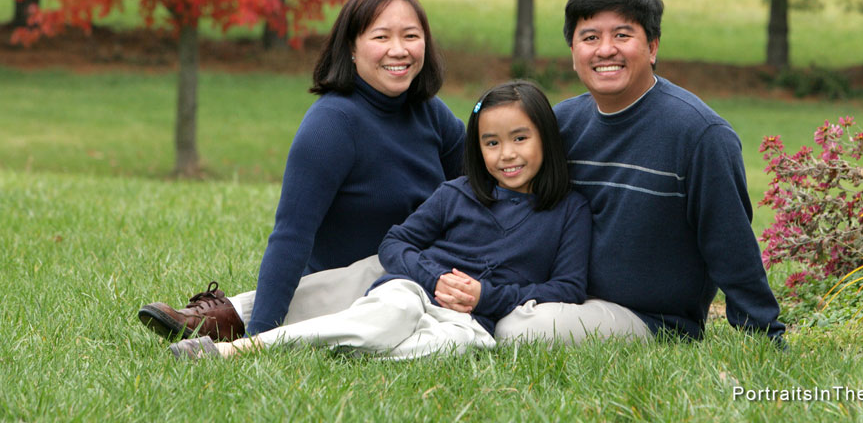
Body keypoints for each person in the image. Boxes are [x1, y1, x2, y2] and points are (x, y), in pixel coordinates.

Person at [168, 80, 591, 360]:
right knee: (390, 317)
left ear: (546, 140)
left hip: (473, 322)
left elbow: (568, 288)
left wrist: (486, 297)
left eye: (520, 139)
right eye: (491, 142)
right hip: (413, 291)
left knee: (450, 346)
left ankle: (332, 342)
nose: (507, 154)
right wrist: (435, 277)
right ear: (477, 148)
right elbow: (395, 244)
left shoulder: (569, 209)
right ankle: (243, 349)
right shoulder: (457, 193)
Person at [138, 0, 466, 340]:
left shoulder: (432, 115)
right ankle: (240, 318)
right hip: (352, 291)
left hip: (425, 278)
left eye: (411, 36)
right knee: (389, 267)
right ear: (352, 49)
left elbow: (482, 190)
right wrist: (261, 336)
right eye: (381, 37)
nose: (399, 50)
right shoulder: (331, 124)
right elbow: (292, 235)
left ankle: (230, 314)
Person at [494, 0, 786, 345]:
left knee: (521, 330)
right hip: (559, 293)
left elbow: (730, 243)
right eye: (590, 38)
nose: (605, 50)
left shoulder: (698, 134)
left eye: (622, 35)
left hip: (650, 319)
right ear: (573, 53)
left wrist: (764, 334)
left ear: (652, 47)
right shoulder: (559, 125)